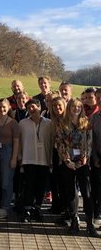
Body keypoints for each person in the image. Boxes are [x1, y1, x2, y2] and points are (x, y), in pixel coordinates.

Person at [55, 98, 98, 237]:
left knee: (86, 193)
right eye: (74, 106)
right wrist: (67, 161)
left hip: (83, 162)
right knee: (71, 193)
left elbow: (89, 143)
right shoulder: (62, 124)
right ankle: (74, 220)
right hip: (67, 163)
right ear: (69, 108)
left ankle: (90, 224)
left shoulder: (86, 124)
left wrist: (83, 159)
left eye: (79, 107)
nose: (76, 109)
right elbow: (59, 142)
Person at [19, 99, 52, 222]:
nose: (31, 110)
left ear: (39, 107)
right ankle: (27, 210)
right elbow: (20, 142)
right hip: (28, 159)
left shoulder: (49, 123)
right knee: (29, 186)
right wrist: (20, 158)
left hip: (44, 159)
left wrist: (51, 160)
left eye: (33, 107)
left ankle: (37, 208)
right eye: (28, 108)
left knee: (41, 187)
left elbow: (52, 141)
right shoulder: (22, 123)